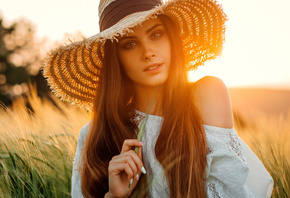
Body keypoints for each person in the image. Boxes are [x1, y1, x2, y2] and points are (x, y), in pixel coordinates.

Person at [42, 0, 274, 197]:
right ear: (115, 58)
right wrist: (114, 196)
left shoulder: (207, 94)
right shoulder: (93, 136)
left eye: (156, 34)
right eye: (130, 44)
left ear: (171, 38)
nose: (148, 52)